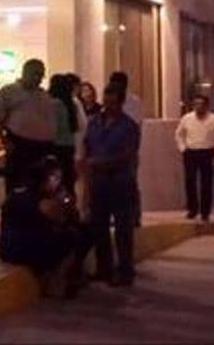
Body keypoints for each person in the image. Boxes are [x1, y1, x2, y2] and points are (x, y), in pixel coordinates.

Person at [0, 157, 92, 298]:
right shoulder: (41, 200)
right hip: (25, 249)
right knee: (76, 235)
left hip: (8, 248)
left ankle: (68, 275)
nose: (57, 182)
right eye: (54, 177)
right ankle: (58, 281)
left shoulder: (17, 193)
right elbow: (64, 219)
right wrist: (65, 202)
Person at [84, 83, 140, 287]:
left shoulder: (129, 127)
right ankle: (103, 269)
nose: (108, 105)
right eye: (106, 101)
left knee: (123, 230)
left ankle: (125, 271)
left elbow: (128, 154)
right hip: (98, 182)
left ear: (121, 102)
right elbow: (88, 147)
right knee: (99, 227)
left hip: (120, 182)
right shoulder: (94, 123)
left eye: (113, 101)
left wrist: (102, 162)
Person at [0, 59, 56, 194]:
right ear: (25, 72)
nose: (38, 78)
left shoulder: (43, 94)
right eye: (35, 74)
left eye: (41, 75)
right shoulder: (9, 92)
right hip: (19, 143)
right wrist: (5, 141)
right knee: (17, 184)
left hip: (42, 146)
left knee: (38, 186)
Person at [176, 95, 214, 222]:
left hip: (207, 152)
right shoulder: (187, 118)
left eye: (201, 104)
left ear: (206, 105)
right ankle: (192, 209)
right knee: (190, 181)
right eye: (196, 104)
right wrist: (183, 148)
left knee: (206, 183)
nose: (198, 106)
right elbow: (179, 134)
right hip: (191, 152)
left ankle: (205, 212)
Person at [109, 71, 143, 225]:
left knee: (130, 184)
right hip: (110, 150)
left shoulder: (133, 101)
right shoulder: (108, 101)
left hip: (127, 150)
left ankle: (134, 216)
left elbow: (135, 126)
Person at [48, 74, 82, 193]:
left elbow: (51, 127)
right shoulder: (70, 104)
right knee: (68, 180)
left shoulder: (54, 104)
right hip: (68, 146)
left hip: (56, 146)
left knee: (56, 181)